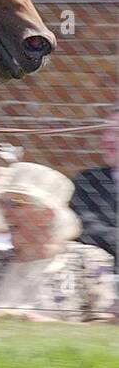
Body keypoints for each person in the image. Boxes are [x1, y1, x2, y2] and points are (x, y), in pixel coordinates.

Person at [0, 162, 115, 322]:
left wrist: (50, 326)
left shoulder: (87, 261)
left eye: (15, 204)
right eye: (2, 203)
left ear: (47, 214)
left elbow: (105, 328)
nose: (5, 212)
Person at [69, 108, 117, 257]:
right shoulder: (88, 181)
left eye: (116, 132)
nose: (107, 139)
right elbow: (87, 228)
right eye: (105, 131)